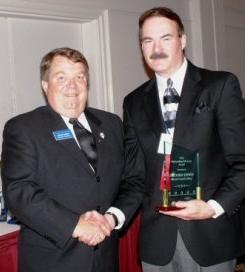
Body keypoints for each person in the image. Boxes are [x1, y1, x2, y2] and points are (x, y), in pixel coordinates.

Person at [104, 6, 245, 272]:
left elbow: (242, 162)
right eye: (148, 40)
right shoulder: (133, 102)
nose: (156, 48)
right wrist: (112, 217)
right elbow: (135, 178)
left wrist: (213, 208)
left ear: (182, 40)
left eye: (165, 38)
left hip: (210, 235)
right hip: (157, 244)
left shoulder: (220, 86)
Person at [1, 47, 124, 272]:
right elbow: (19, 192)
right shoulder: (23, 128)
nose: (72, 85)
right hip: (53, 261)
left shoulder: (112, 124)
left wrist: (112, 217)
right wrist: (76, 224)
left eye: (79, 76)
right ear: (45, 85)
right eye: (61, 77)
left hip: (106, 258)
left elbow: (130, 180)